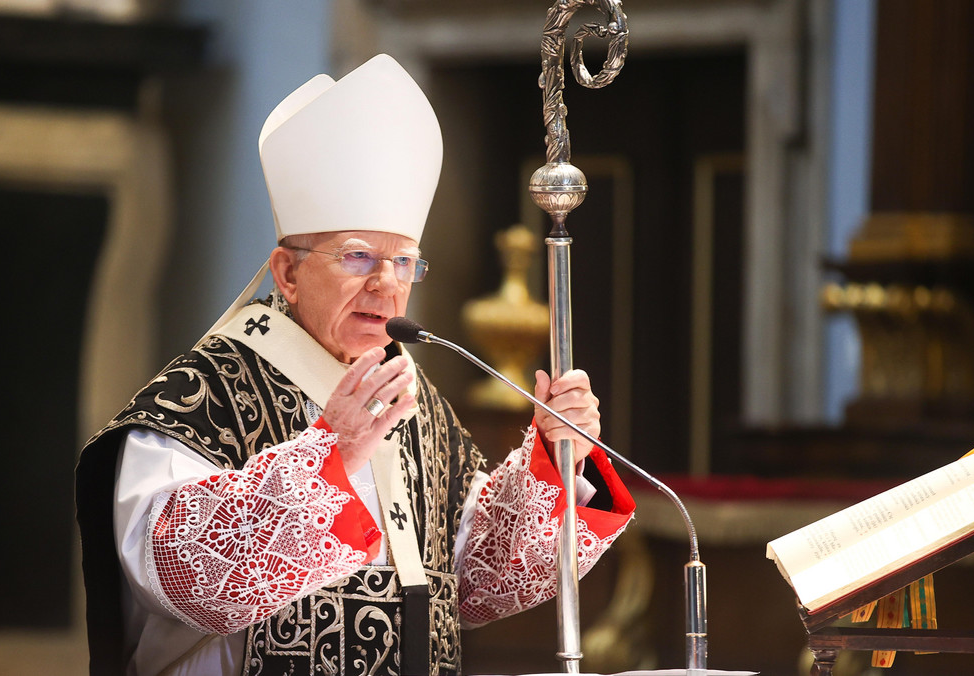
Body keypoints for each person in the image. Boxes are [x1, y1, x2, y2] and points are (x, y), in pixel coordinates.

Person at [75, 54, 635, 676]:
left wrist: (555, 458)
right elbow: (178, 575)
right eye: (359, 257)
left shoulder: (407, 391)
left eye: (404, 263)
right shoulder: (199, 397)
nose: (386, 287)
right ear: (287, 273)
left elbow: (474, 582)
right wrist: (326, 462)